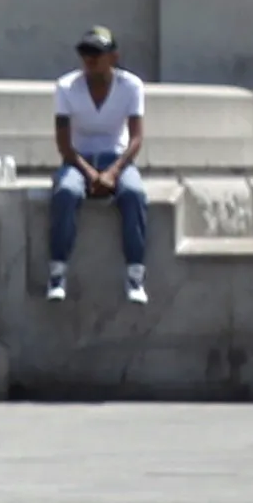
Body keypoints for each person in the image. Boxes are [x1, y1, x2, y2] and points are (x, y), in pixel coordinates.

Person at [48, 25, 150, 305]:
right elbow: (64, 145)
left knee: (134, 194)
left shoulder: (131, 86)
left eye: (97, 52)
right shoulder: (66, 87)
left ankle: (135, 275)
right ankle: (57, 272)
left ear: (113, 56)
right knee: (66, 193)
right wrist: (92, 174)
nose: (90, 59)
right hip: (78, 159)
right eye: (85, 53)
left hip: (116, 158)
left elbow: (137, 138)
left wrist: (113, 172)